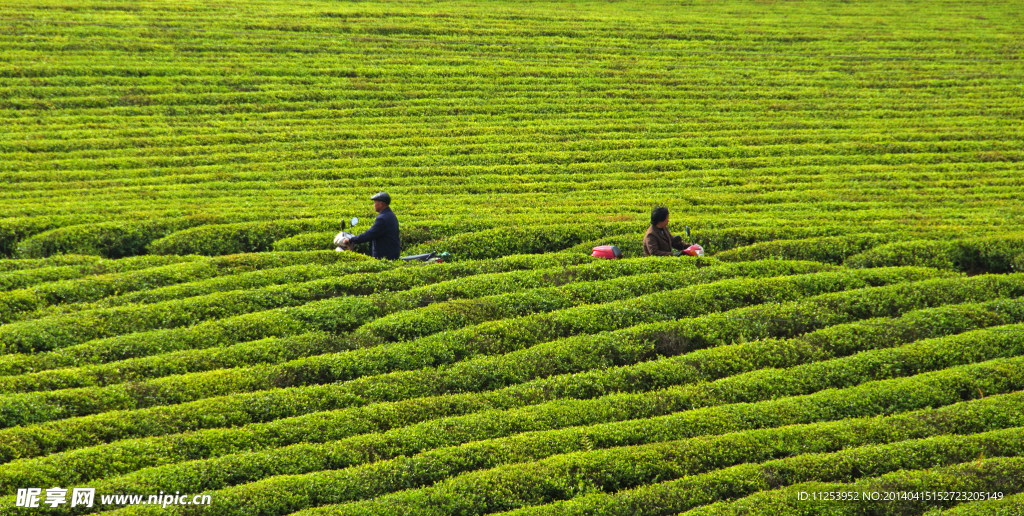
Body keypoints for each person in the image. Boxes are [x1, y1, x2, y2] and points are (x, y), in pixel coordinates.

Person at [342, 192, 401, 259]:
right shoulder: (390, 215)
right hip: (392, 252)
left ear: (381, 204)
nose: (374, 205)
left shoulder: (382, 218)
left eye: (375, 202)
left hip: (385, 255)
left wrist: (351, 240)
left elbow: (370, 234)